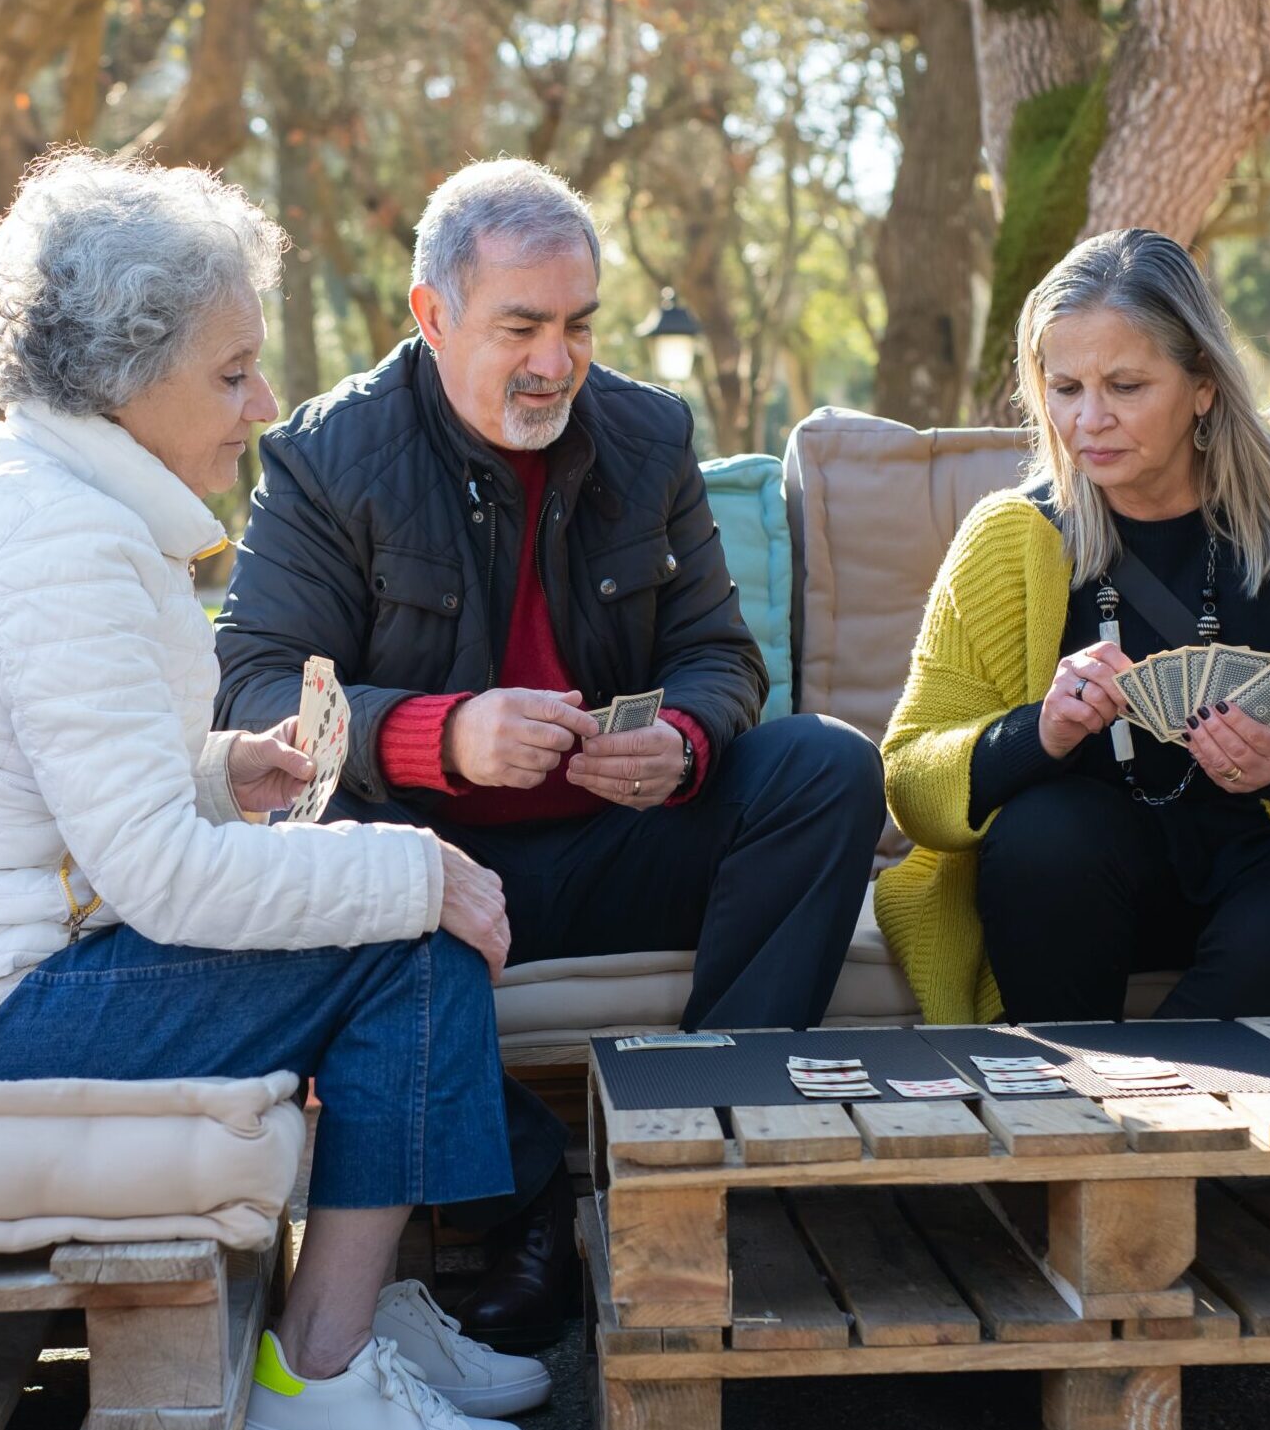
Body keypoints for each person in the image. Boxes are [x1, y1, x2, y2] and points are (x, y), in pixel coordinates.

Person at [0, 148, 552, 1430]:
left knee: (402, 914)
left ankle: (358, 1316)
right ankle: (324, 1373)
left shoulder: (51, 505)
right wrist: (410, 867)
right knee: (410, 935)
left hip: (18, 965)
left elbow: (61, 780)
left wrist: (227, 769)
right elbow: (161, 884)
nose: (263, 405)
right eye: (232, 373)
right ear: (122, 375)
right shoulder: (58, 543)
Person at [214, 158, 885, 1345]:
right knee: (348, 897)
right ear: (432, 315)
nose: (555, 360)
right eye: (521, 325)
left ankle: (706, 1147)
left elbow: (723, 657)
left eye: (578, 325)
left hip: (620, 838)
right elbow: (260, 684)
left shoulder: (648, 431)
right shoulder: (325, 457)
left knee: (824, 766)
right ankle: (527, 1213)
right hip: (434, 864)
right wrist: (443, 734)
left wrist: (680, 738)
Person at [874, 228, 1270, 1042]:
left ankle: (1125, 1122)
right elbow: (912, 777)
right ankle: (1071, 1113)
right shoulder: (1012, 537)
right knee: (1041, 845)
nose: (1087, 420)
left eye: (1125, 385)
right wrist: (1034, 733)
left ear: (1203, 383)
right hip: (1104, 876)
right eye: (1063, 387)